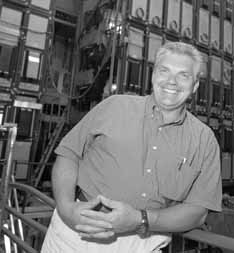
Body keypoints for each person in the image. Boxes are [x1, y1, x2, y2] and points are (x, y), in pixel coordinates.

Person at [41, 41, 222, 253]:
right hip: (76, 233)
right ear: (154, 75)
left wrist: (140, 220)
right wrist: (66, 208)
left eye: (183, 75)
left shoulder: (204, 140)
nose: (171, 81)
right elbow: (68, 154)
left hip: (143, 244)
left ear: (195, 85)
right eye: (164, 71)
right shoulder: (114, 106)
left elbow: (198, 211)